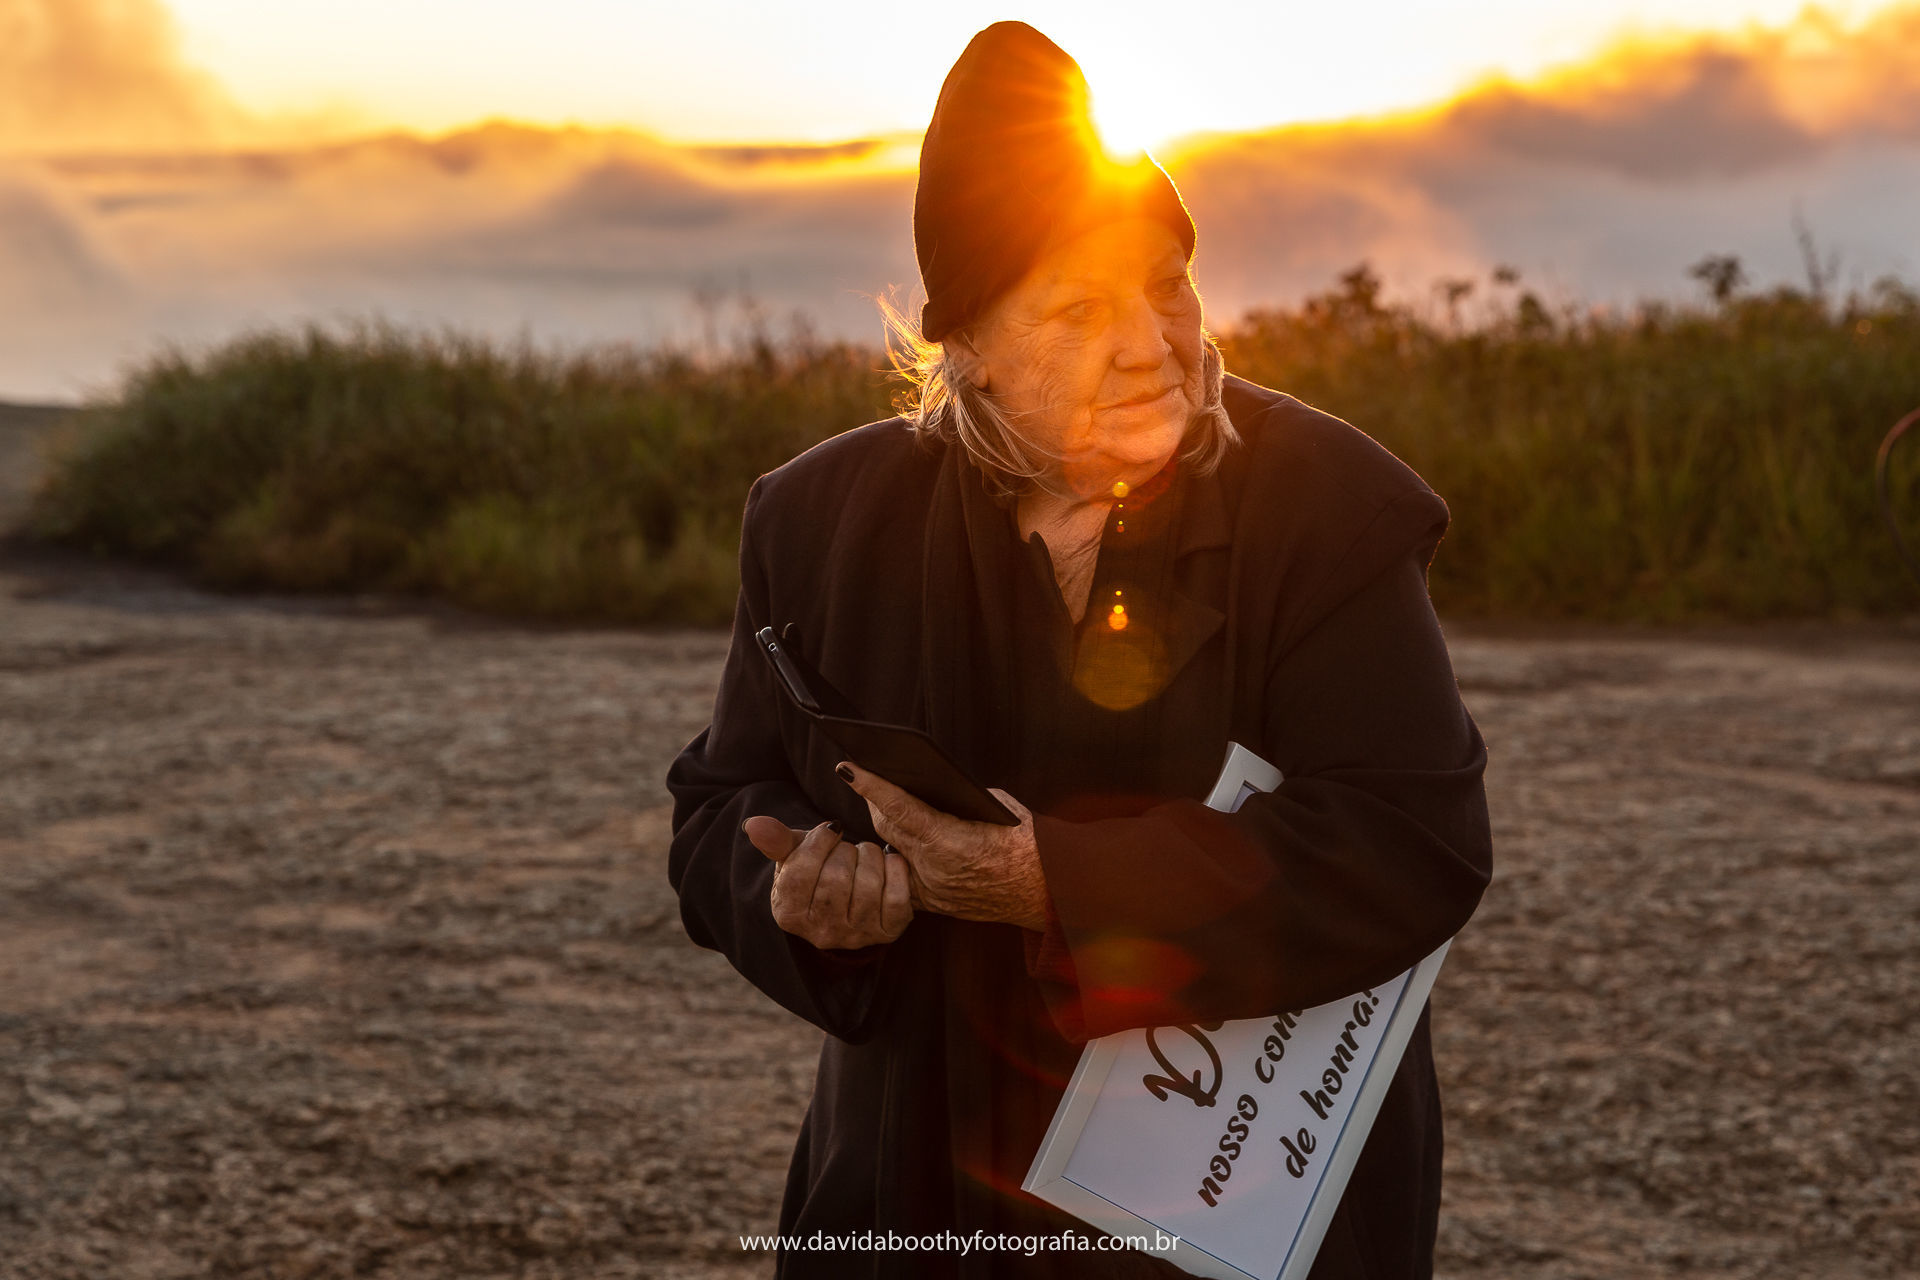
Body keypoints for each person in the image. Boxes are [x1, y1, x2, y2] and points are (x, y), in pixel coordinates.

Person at [665, 20, 1492, 1280]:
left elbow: (1413, 842)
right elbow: (720, 803)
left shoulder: (1328, 507)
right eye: (1079, 305)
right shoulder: (823, 518)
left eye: (1167, 283)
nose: (1150, 343)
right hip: (918, 1182)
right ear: (970, 346)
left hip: (1234, 1202)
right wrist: (796, 893)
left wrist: (1048, 883)